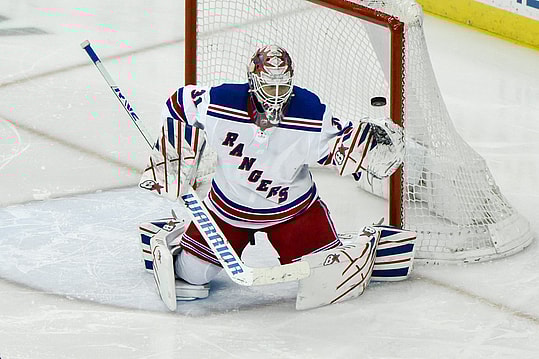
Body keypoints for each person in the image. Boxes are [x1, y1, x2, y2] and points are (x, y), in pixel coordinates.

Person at [138, 45, 409, 305]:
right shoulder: (220, 101)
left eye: (283, 87)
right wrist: (173, 154)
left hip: (293, 212)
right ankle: (173, 236)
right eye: (269, 87)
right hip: (228, 209)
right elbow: (178, 104)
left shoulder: (310, 112)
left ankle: (363, 243)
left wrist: (371, 146)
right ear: (253, 82)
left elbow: (342, 143)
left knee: (325, 278)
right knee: (192, 277)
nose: (276, 95)